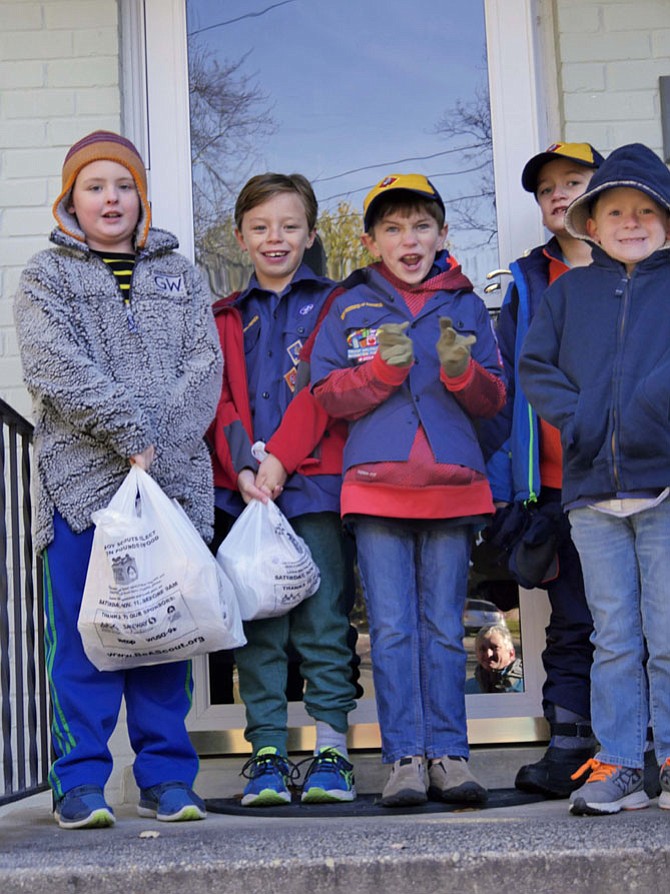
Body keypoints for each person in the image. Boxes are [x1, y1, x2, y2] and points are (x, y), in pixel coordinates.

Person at [13, 131, 222, 829]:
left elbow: (205, 366)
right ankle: (80, 783)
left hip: (171, 489)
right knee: (86, 641)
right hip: (81, 490)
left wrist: (157, 443)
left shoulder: (182, 275)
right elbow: (52, 364)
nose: (112, 197)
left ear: (142, 198)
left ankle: (167, 781)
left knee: (166, 638)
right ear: (70, 199)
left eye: (124, 185)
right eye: (96, 185)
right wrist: (131, 435)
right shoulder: (47, 275)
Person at [309, 173, 506, 807]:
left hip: (452, 488)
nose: (409, 239)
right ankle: (405, 762)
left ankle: (450, 755)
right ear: (371, 241)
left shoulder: (467, 303)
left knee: (445, 629)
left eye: (421, 225)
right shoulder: (350, 304)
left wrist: (461, 372)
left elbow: (495, 399)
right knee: (391, 629)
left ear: (443, 234)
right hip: (375, 490)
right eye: (392, 228)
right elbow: (325, 394)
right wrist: (378, 373)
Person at [518, 142, 670, 816]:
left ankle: (669, 755)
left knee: (666, 631)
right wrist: (581, 418)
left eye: (645, 210)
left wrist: (641, 411)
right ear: (592, 222)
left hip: (663, 486)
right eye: (615, 211)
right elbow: (534, 367)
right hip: (590, 495)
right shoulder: (567, 292)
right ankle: (620, 763)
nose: (630, 222)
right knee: (613, 633)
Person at [208, 173, 357, 807]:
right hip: (244, 494)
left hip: (313, 488)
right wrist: (245, 468)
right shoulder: (222, 317)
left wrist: (282, 463)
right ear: (241, 237)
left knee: (323, 623)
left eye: (290, 226)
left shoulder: (335, 305)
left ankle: (332, 751)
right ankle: (266, 752)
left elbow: (325, 389)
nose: (276, 238)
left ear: (312, 235)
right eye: (262, 227)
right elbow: (214, 400)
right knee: (259, 628)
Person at [483, 143, 604, 798]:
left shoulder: (639, 270)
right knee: (574, 618)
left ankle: (640, 742)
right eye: (547, 188)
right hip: (553, 486)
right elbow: (503, 392)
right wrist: (511, 488)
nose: (559, 196)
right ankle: (570, 746)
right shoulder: (528, 281)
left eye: (574, 182)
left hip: (631, 481)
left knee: (639, 618)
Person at [465, 624, 523, 694]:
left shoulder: (527, 687)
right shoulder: (467, 689)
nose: (488, 654)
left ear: (511, 653)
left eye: (494, 648)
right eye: (482, 649)